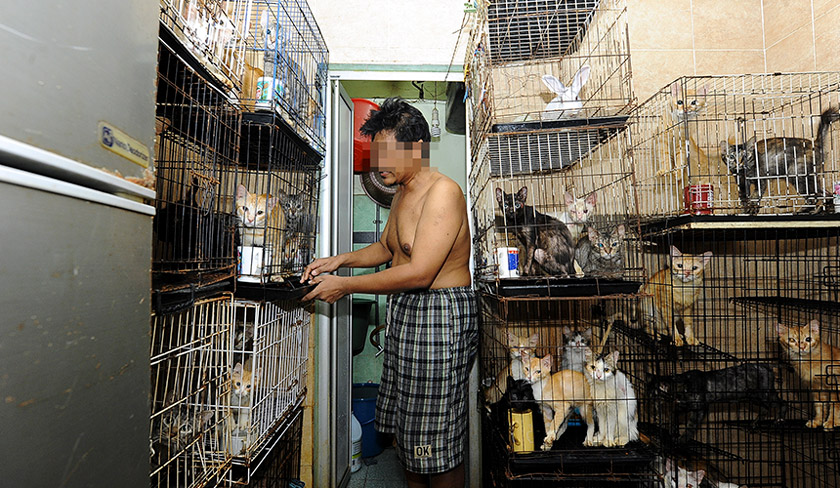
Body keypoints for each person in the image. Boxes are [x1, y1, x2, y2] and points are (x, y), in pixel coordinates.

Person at [301, 97, 477, 488]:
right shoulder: (402, 192)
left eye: (386, 152)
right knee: (409, 433)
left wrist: (344, 286)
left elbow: (419, 272)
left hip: (438, 319)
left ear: (416, 148)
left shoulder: (444, 193)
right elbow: (388, 250)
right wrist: (337, 261)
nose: (378, 163)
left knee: (437, 440)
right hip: (407, 314)